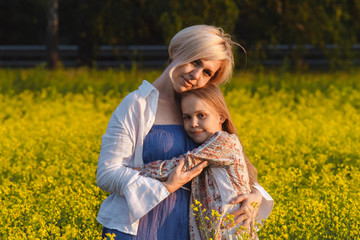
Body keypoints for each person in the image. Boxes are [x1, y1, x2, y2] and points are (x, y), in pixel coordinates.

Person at [97, 25, 273, 240]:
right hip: (138, 228)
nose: (195, 74)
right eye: (195, 61)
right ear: (176, 51)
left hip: (191, 230)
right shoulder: (137, 105)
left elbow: (227, 158)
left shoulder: (200, 110)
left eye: (207, 72)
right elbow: (107, 173)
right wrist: (167, 186)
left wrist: (255, 195)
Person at [138, 83, 267, 239]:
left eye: (201, 115)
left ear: (221, 116)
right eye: (187, 117)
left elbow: (183, 165)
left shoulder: (224, 142)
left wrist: (137, 171)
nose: (193, 123)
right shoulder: (205, 145)